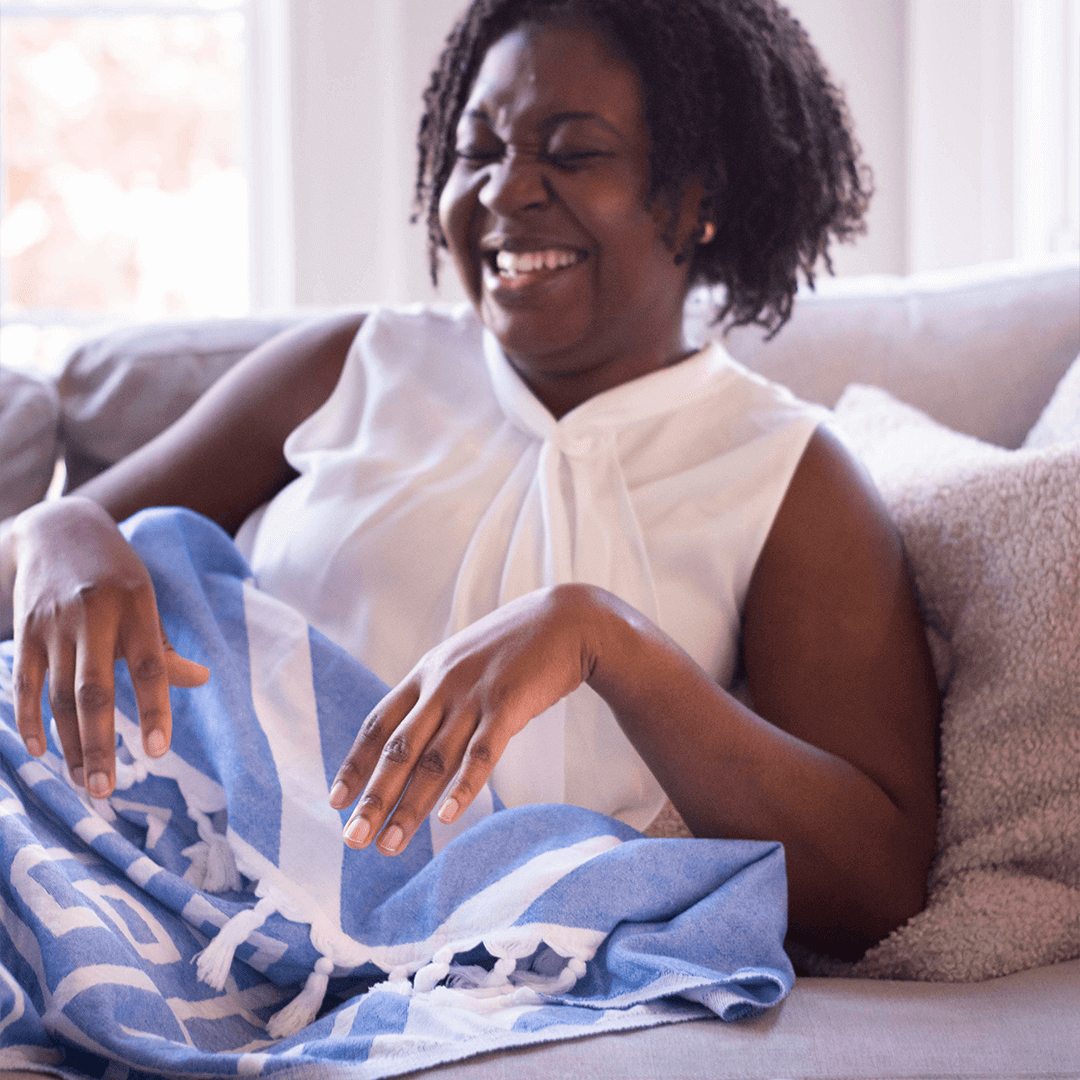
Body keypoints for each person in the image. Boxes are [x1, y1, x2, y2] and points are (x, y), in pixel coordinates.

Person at [0, 0, 939, 961]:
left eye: (572, 154)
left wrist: (606, 641)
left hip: (389, 944)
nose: (504, 190)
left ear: (704, 193)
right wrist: (56, 528)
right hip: (117, 837)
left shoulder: (786, 473)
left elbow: (875, 880)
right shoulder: (355, 365)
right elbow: (30, 568)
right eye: (476, 149)